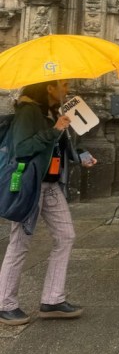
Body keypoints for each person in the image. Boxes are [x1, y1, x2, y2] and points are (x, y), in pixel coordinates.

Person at [0, 80, 97, 325]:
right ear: (49, 88)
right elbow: (22, 148)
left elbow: (62, 144)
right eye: (62, 84)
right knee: (19, 243)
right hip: (31, 186)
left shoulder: (54, 110)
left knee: (66, 236)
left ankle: (53, 300)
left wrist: (81, 155)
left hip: (51, 184)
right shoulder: (28, 111)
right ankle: (5, 304)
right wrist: (54, 130)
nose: (67, 89)